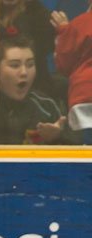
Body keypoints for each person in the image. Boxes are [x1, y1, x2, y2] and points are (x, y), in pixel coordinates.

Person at [52, 2, 92, 144]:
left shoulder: (81, 23)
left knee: (84, 146)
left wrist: (64, 30)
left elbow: (64, 65)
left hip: (84, 95)